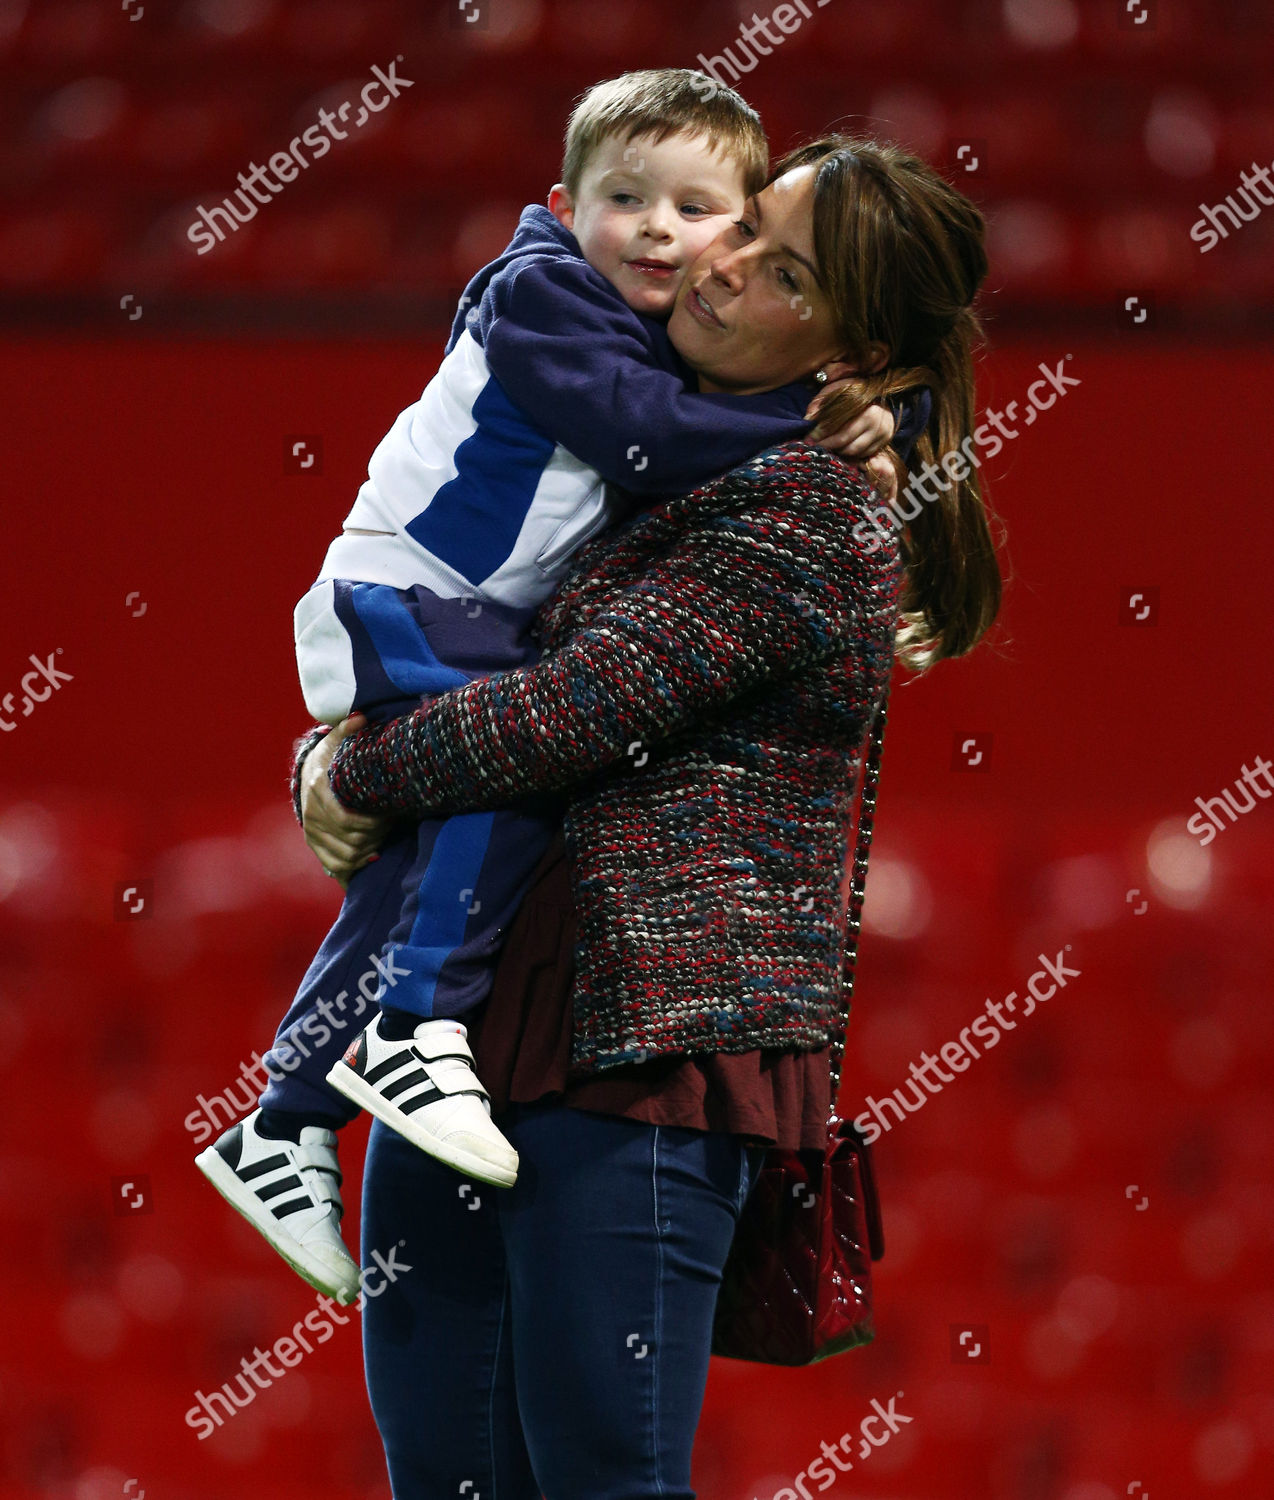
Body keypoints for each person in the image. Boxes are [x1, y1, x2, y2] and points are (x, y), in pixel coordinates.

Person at [296, 135, 1003, 1498]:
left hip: (641, 1062)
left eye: (780, 271)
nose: (718, 262)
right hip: (452, 1039)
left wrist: (345, 771)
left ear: (849, 362)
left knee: (602, 1483)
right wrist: (339, 748)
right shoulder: (636, 443)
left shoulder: (805, 514)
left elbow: (562, 714)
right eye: (748, 226)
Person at [194, 67, 925, 1306]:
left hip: (629, 1004)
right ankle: (408, 1034)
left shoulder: (740, 443)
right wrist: (818, 422)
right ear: (559, 203)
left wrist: (869, 433)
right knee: (495, 789)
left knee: (431, 852)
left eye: (710, 213)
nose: (668, 234)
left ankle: (287, 1112)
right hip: (412, 599)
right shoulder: (546, 297)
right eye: (626, 197)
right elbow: (641, 447)